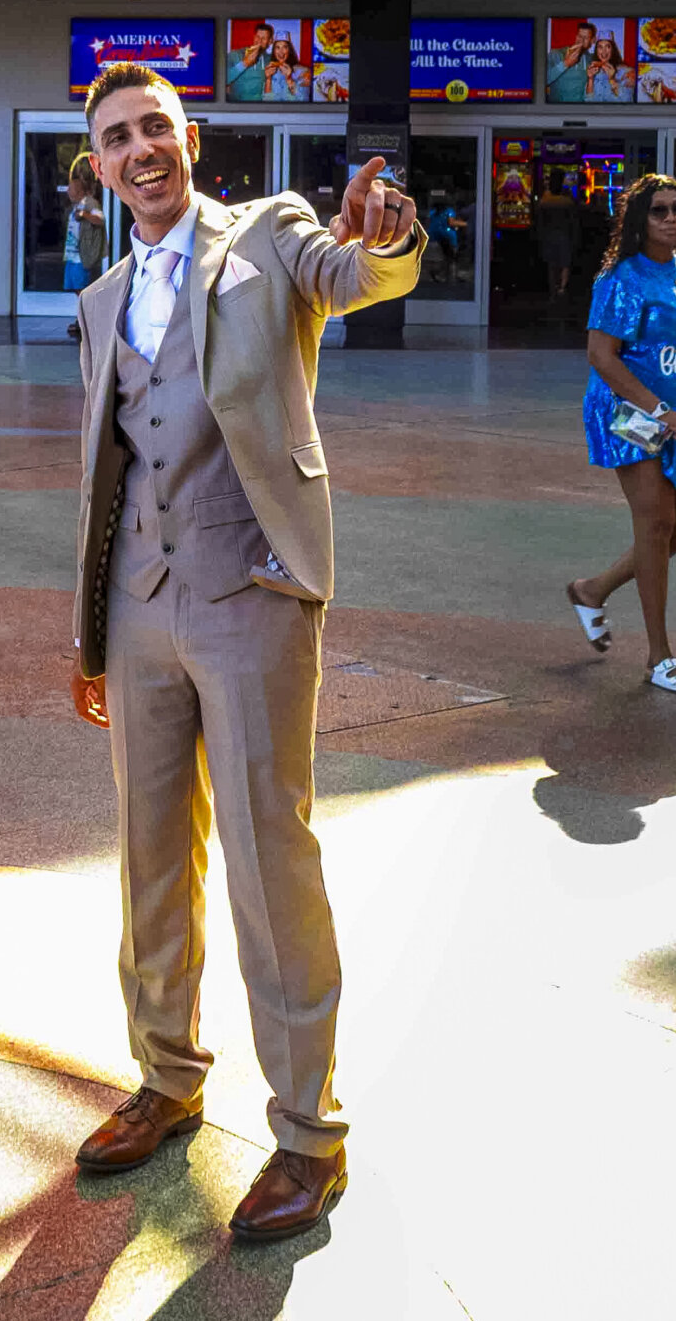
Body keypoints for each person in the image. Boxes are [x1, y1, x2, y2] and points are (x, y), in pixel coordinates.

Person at [67, 63, 422, 1244]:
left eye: (154, 127)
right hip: (139, 606)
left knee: (271, 857)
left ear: (188, 137)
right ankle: (166, 1077)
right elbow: (104, 473)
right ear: (100, 164)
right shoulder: (104, 295)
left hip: (249, 590)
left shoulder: (267, 235)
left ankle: (306, 1135)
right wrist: (90, 630)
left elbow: (355, 270)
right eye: (117, 137)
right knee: (147, 852)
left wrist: (384, 232)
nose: (139, 149)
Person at [565, 173, 676, 694]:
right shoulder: (622, 278)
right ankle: (661, 657)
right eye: (659, 210)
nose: (671, 218)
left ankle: (593, 590)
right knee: (655, 523)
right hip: (627, 410)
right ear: (639, 219)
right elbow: (600, 354)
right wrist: (657, 410)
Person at [62, 152, 107, 340]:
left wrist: (85, 215)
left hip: (83, 256)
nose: (67, 191)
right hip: (72, 255)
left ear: (78, 190)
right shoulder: (73, 206)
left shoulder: (89, 203)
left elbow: (100, 220)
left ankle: (86, 321)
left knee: (83, 289)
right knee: (76, 288)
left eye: (70, 189)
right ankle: (83, 318)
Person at [533, 175, 581, 306]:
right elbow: (574, 222)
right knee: (565, 263)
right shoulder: (568, 202)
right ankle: (562, 288)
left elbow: (539, 222)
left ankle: (553, 289)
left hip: (549, 236)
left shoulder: (544, 202)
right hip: (565, 235)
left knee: (552, 264)